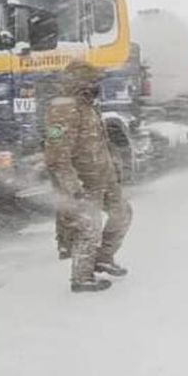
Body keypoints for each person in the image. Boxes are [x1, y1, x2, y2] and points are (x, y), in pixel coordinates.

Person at [45, 61, 133, 293]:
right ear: (79, 82)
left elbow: (100, 143)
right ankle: (82, 278)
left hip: (104, 178)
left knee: (122, 213)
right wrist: (73, 187)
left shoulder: (88, 105)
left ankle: (103, 258)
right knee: (89, 226)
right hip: (83, 183)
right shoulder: (64, 109)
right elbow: (56, 156)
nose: (97, 85)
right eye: (93, 81)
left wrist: (115, 169)